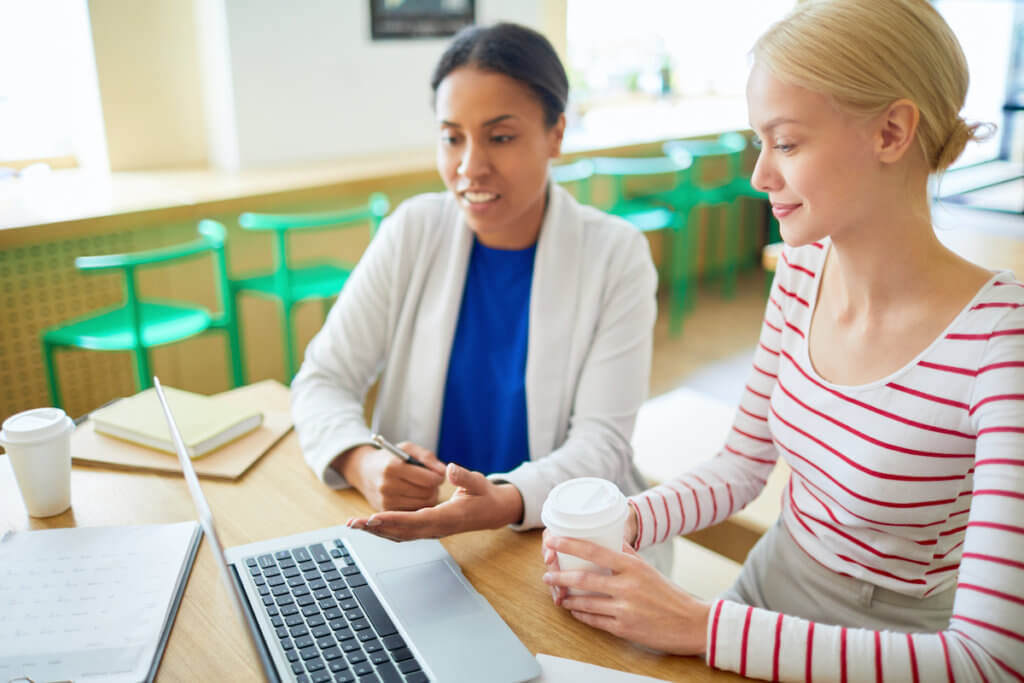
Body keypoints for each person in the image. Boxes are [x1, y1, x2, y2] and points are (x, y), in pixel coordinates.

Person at [541, 1, 1024, 680]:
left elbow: (990, 659)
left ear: (891, 131)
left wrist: (698, 623)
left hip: (898, 648)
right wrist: (625, 521)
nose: (759, 175)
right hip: (768, 592)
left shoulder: (1000, 339)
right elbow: (742, 466)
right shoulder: (800, 270)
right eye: (759, 142)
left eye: (787, 143)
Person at [291, 23, 662, 553]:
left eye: (500, 136)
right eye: (452, 137)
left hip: (546, 539)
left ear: (556, 133)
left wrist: (505, 500)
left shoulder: (615, 254)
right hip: (416, 536)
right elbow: (324, 379)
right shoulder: (413, 230)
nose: (470, 167)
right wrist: (361, 461)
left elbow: (602, 445)